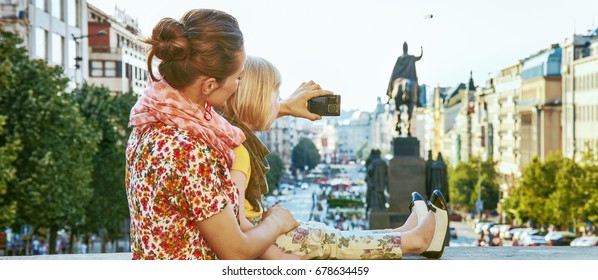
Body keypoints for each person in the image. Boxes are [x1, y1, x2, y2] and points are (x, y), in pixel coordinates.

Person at [220, 55, 450, 259]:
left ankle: (400, 234)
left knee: (334, 237)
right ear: (257, 100)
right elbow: (239, 226)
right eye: (275, 96)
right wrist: (279, 258)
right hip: (267, 239)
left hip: (267, 235)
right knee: (334, 241)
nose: (280, 103)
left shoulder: (229, 139)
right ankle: (415, 241)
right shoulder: (239, 152)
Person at [125, 9, 299, 260]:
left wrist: (285, 106)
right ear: (208, 85)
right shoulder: (190, 151)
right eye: (238, 77)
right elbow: (236, 252)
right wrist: (277, 221)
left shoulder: (149, 122)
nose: (238, 85)